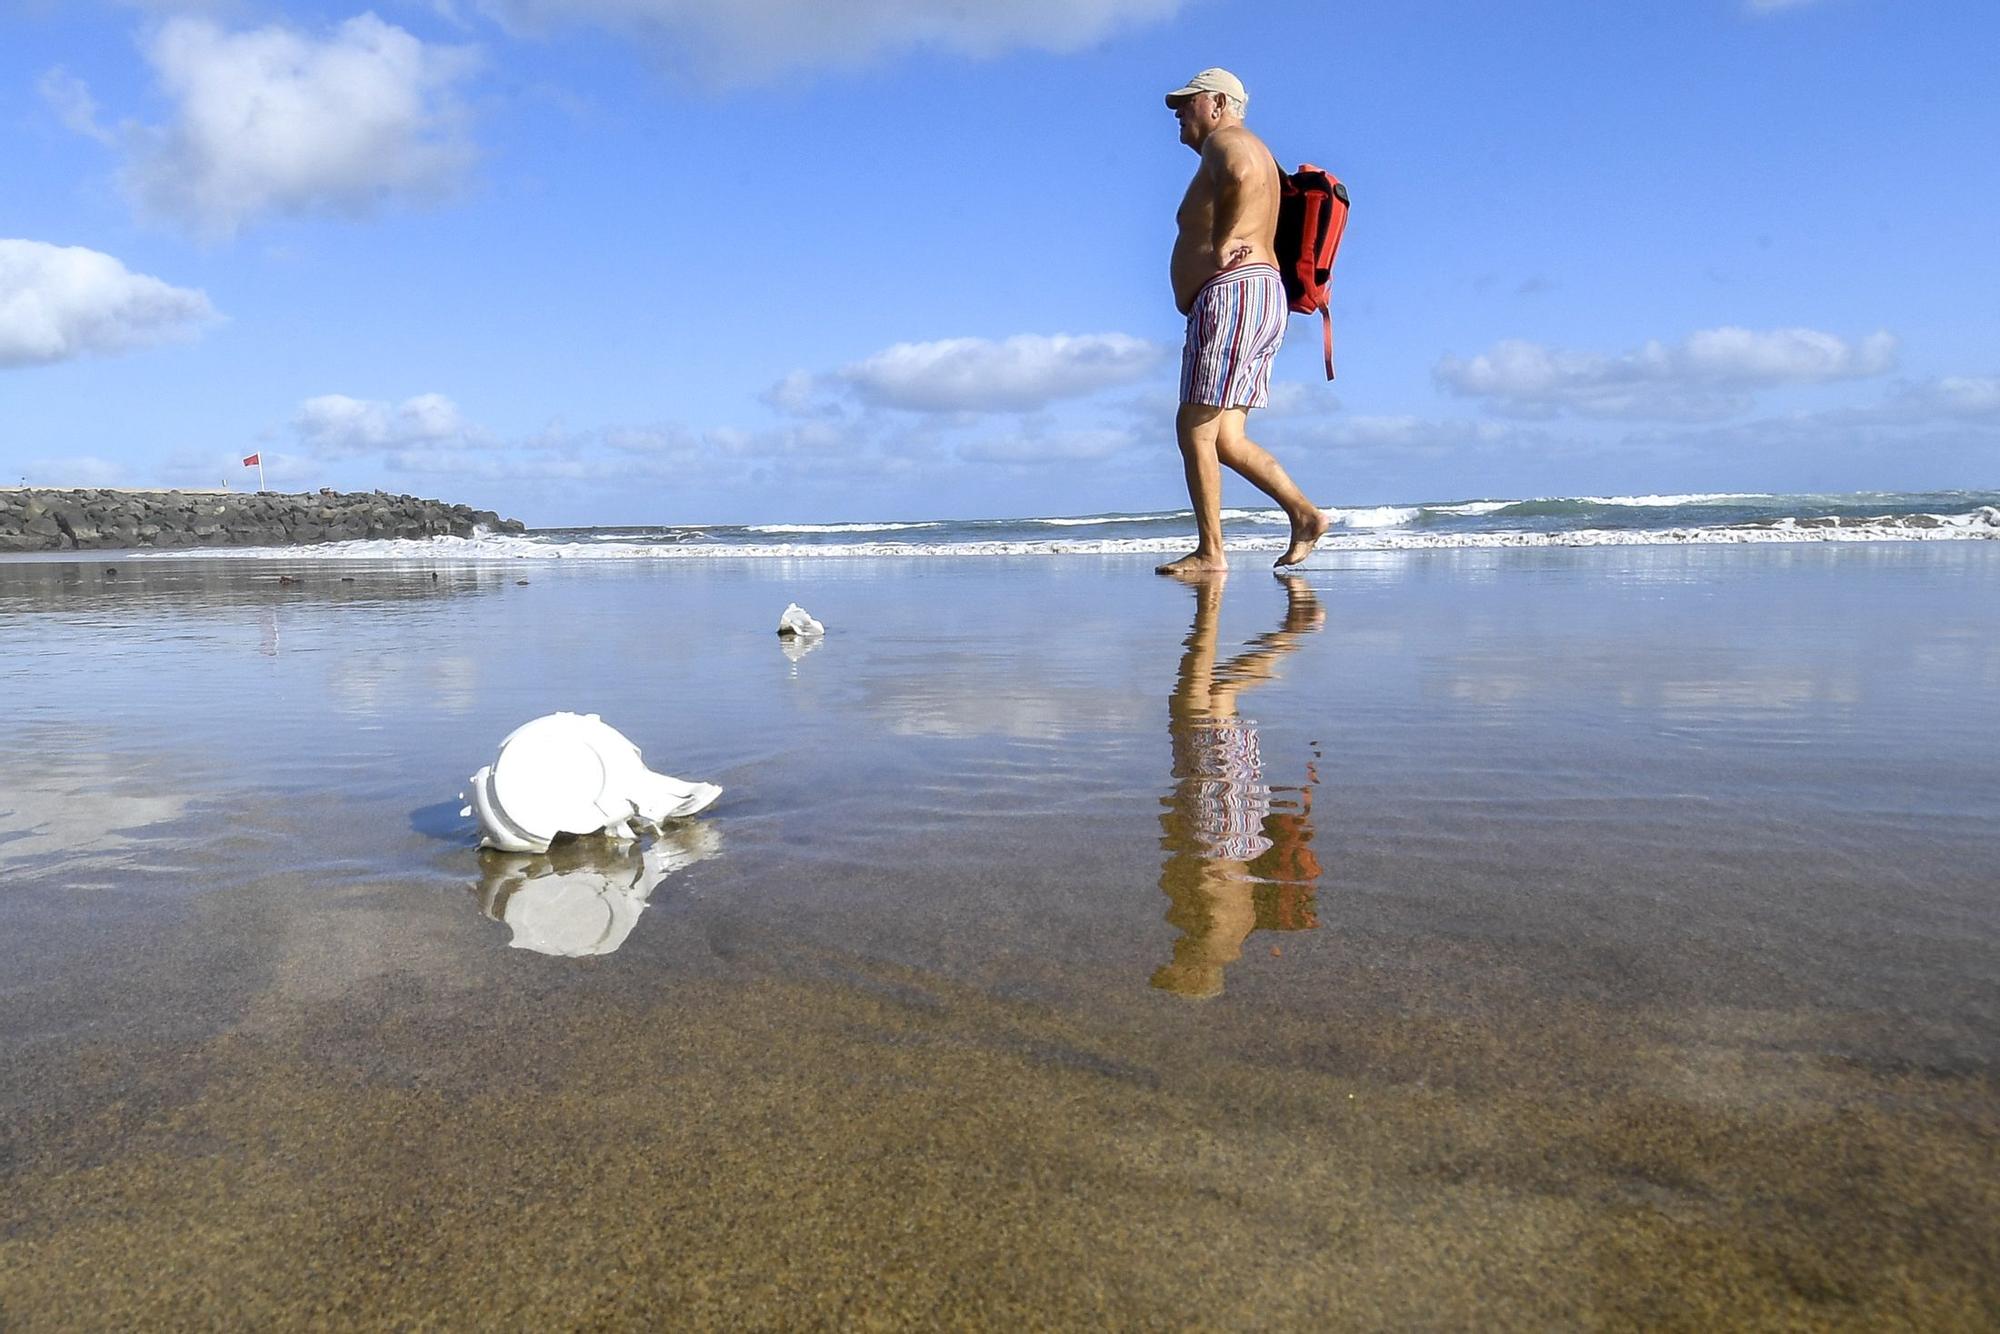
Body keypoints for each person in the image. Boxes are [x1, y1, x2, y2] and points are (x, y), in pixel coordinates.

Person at [1158, 68, 1330, 577]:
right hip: (1257, 297)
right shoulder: (1250, 147)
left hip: (1235, 294)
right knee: (1227, 438)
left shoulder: (1227, 141)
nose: (1178, 113)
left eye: (1186, 103)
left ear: (1216, 102)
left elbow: (1239, 174)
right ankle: (1305, 515)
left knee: (1193, 426)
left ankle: (1211, 552)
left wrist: (1227, 236)